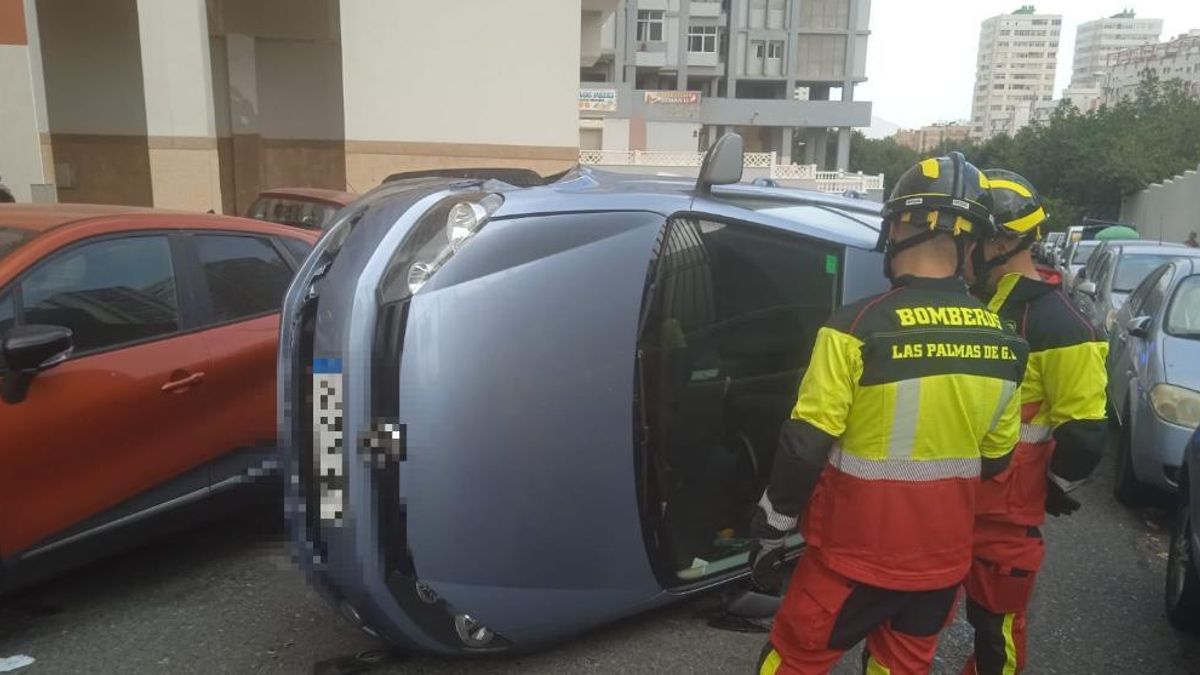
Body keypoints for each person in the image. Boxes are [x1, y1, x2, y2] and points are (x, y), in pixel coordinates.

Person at [750, 152, 1030, 675]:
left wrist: (771, 528)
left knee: (793, 662)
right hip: (941, 564)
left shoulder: (855, 327)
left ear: (900, 225)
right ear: (970, 242)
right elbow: (996, 460)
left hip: (850, 562)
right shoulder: (1006, 344)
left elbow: (805, 442)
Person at [958, 169, 1109, 674]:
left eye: (968, 239)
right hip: (940, 504)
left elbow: (1085, 433)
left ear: (1001, 241)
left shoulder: (1063, 326)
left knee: (995, 631)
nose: (960, 250)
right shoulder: (971, 301)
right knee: (909, 628)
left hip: (1002, 516)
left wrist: (1053, 485)